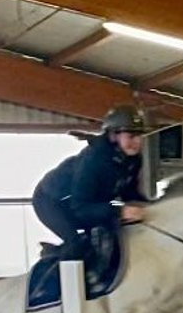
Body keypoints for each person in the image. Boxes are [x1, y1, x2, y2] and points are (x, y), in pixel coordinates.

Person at [32, 104, 150, 260]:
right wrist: (119, 211)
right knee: (77, 246)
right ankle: (53, 259)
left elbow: (129, 192)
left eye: (140, 136)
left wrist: (148, 206)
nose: (138, 142)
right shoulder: (93, 160)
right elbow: (81, 207)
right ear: (114, 136)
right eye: (131, 136)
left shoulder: (133, 159)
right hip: (50, 202)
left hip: (85, 203)